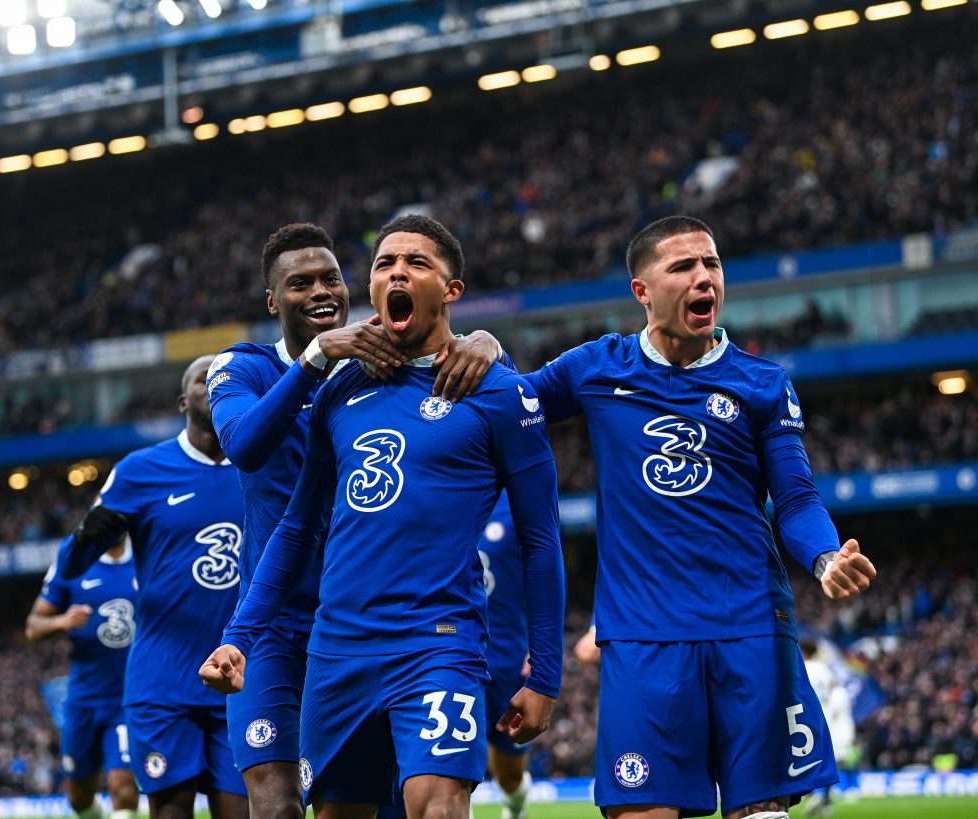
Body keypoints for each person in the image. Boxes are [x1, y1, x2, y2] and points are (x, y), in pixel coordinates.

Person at [200, 214, 565, 819]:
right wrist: (239, 636)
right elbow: (294, 524)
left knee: (434, 807)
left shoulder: (497, 392)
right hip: (332, 645)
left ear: (451, 291)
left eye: (417, 263)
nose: (397, 272)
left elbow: (540, 540)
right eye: (384, 264)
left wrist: (545, 673)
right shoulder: (329, 388)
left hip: (436, 641)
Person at [522, 215, 877, 819]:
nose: (703, 277)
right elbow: (506, 402)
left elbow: (794, 499)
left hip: (749, 625)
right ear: (642, 290)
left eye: (711, 264)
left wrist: (823, 556)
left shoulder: (762, 382)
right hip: (642, 633)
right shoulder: (595, 367)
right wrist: (478, 346)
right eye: (683, 266)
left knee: (762, 812)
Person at [63, 355, 248, 819]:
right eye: (202, 378)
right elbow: (71, 562)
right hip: (163, 680)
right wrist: (90, 531)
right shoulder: (140, 470)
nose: (214, 381)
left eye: (225, 374)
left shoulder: (265, 464)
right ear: (184, 401)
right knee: (169, 814)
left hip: (241, 676)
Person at [26, 536, 140, 819]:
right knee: (78, 797)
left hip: (128, 698)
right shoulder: (73, 562)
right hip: (84, 699)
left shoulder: (147, 556)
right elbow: (32, 627)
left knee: (123, 788)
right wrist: (62, 621)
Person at [477, 494, 532, 819]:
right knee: (449, 770)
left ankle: (516, 807)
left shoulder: (516, 503)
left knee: (509, 776)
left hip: (507, 659)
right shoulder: (442, 489)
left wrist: (541, 646)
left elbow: (545, 571)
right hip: (451, 652)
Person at [800, 639, 855, 817]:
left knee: (806, 759)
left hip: (807, 716)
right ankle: (823, 798)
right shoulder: (824, 668)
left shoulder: (803, 667)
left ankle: (814, 793)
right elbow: (832, 689)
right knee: (824, 759)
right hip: (826, 717)